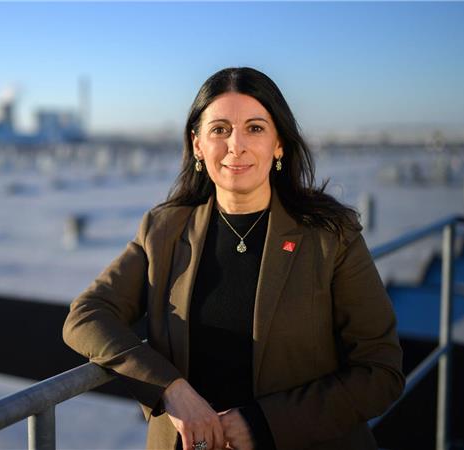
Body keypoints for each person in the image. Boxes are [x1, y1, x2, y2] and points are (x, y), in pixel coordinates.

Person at [62, 67, 404, 450]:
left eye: (255, 128)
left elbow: (380, 372)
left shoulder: (330, 236)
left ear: (279, 144)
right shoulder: (163, 230)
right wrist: (169, 388)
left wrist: (263, 424)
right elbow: (86, 316)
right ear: (197, 145)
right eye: (220, 129)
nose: (235, 145)